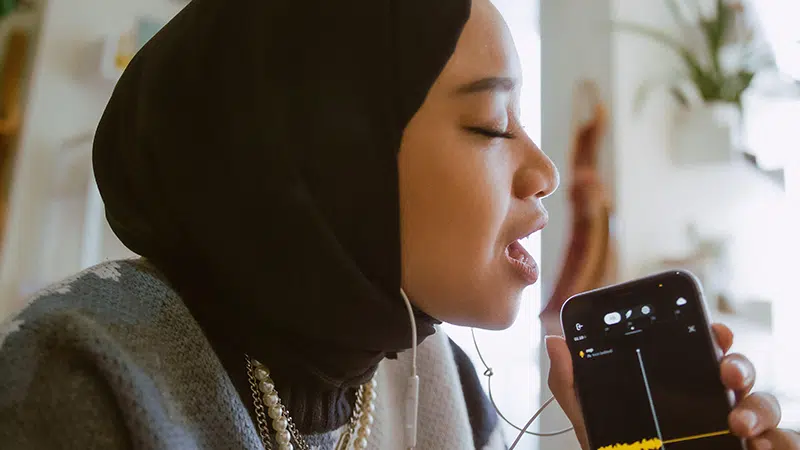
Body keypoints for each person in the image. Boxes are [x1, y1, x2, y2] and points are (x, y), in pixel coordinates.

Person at [0, 0, 796, 448]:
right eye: (491, 124)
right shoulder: (83, 377)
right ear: (329, 144)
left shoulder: (436, 381)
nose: (546, 171)